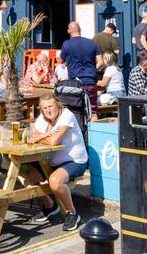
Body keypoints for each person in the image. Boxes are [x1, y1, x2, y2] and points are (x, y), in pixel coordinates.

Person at [24, 95, 89, 232]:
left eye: (51, 106)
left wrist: (39, 137)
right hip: (51, 161)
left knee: (54, 181)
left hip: (74, 161)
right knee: (28, 177)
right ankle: (50, 205)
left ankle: (72, 213)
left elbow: (54, 141)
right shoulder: (43, 118)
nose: (48, 110)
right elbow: (29, 137)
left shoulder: (67, 116)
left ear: (58, 105)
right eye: (45, 108)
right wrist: (42, 136)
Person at [60, 22, 101, 112]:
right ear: (80, 30)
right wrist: (92, 70)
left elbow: (61, 61)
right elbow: (100, 62)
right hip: (90, 80)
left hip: (75, 83)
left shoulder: (66, 44)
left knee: (76, 111)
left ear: (68, 31)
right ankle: (93, 125)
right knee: (92, 110)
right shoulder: (92, 43)